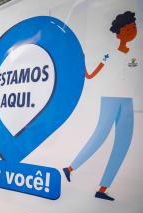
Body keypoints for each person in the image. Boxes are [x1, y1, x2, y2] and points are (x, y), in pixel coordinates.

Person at [62, 11, 139, 201]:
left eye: (133, 28)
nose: (132, 32)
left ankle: (102, 189)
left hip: (127, 101)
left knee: (123, 144)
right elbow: (91, 74)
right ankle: (70, 168)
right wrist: (80, 59)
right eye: (128, 29)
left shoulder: (136, 56)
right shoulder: (109, 54)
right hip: (110, 99)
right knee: (100, 135)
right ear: (119, 34)